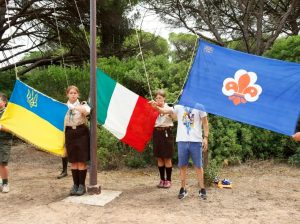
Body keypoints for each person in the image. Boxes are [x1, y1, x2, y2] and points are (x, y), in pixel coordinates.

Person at [150, 101, 209, 200]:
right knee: (182, 166)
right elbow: (165, 110)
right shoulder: (179, 106)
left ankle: (202, 189)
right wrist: (156, 108)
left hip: (196, 141)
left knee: (198, 166)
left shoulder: (200, 106)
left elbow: (205, 123)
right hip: (182, 141)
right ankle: (183, 188)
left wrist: (206, 137)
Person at [64, 86, 90, 196]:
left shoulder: (83, 104)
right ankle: (75, 185)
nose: (73, 95)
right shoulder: (63, 107)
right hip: (69, 133)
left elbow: (86, 112)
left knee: (81, 160)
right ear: (67, 95)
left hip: (81, 133)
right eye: (71, 93)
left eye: (75, 93)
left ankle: (82, 185)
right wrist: (67, 107)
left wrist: (75, 107)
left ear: (78, 95)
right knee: (73, 161)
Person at [152, 89, 175, 188]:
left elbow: (166, 113)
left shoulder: (169, 108)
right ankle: (162, 179)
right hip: (157, 133)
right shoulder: (153, 108)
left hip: (166, 133)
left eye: (160, 98)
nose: (158, 100)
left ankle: (168, 180)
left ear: (164, 98)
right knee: (159, 157)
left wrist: (155, 107)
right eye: (156, 98)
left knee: (167, 157)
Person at [0, 93, 13, 193]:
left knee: (3, 163)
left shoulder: (8, 114)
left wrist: (1, 128)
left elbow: (13, 130)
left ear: (4, 102)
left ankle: (5, 183)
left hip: (5, 141)